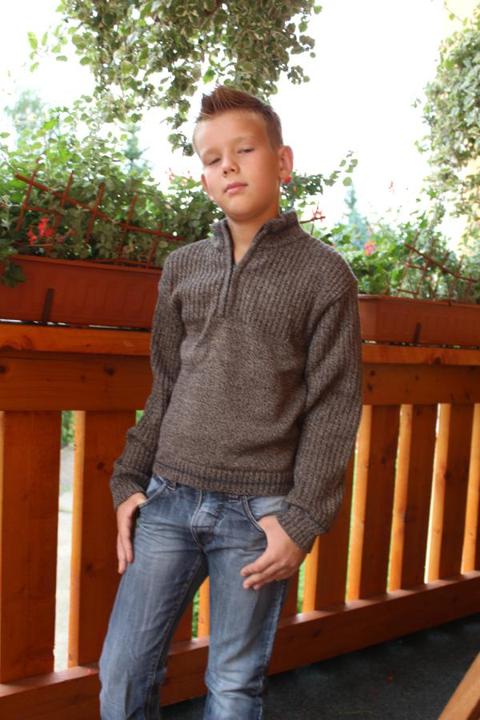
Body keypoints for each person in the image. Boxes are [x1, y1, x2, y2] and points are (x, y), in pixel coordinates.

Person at [99, 85, 363, 720]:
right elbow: (165, 384)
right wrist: (129, 478)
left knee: (234, 684)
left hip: (258, 513)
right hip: (168, 498)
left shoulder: (325, 275)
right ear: (204, 179)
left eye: (244, 150)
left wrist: (303, 519)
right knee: (123, 670)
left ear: (283, 161)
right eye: (213, 158)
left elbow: (334, 405)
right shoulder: (182, 268)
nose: (228, 166)